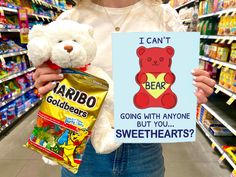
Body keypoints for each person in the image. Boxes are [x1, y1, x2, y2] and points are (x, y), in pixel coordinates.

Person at [33, 0, 216, 177]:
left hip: (144, 145)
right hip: (82, 142)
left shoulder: (164, 16)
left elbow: (181, 74)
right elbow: (53, 81)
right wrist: (46, 82)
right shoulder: (68, 21)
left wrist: (193, 88)